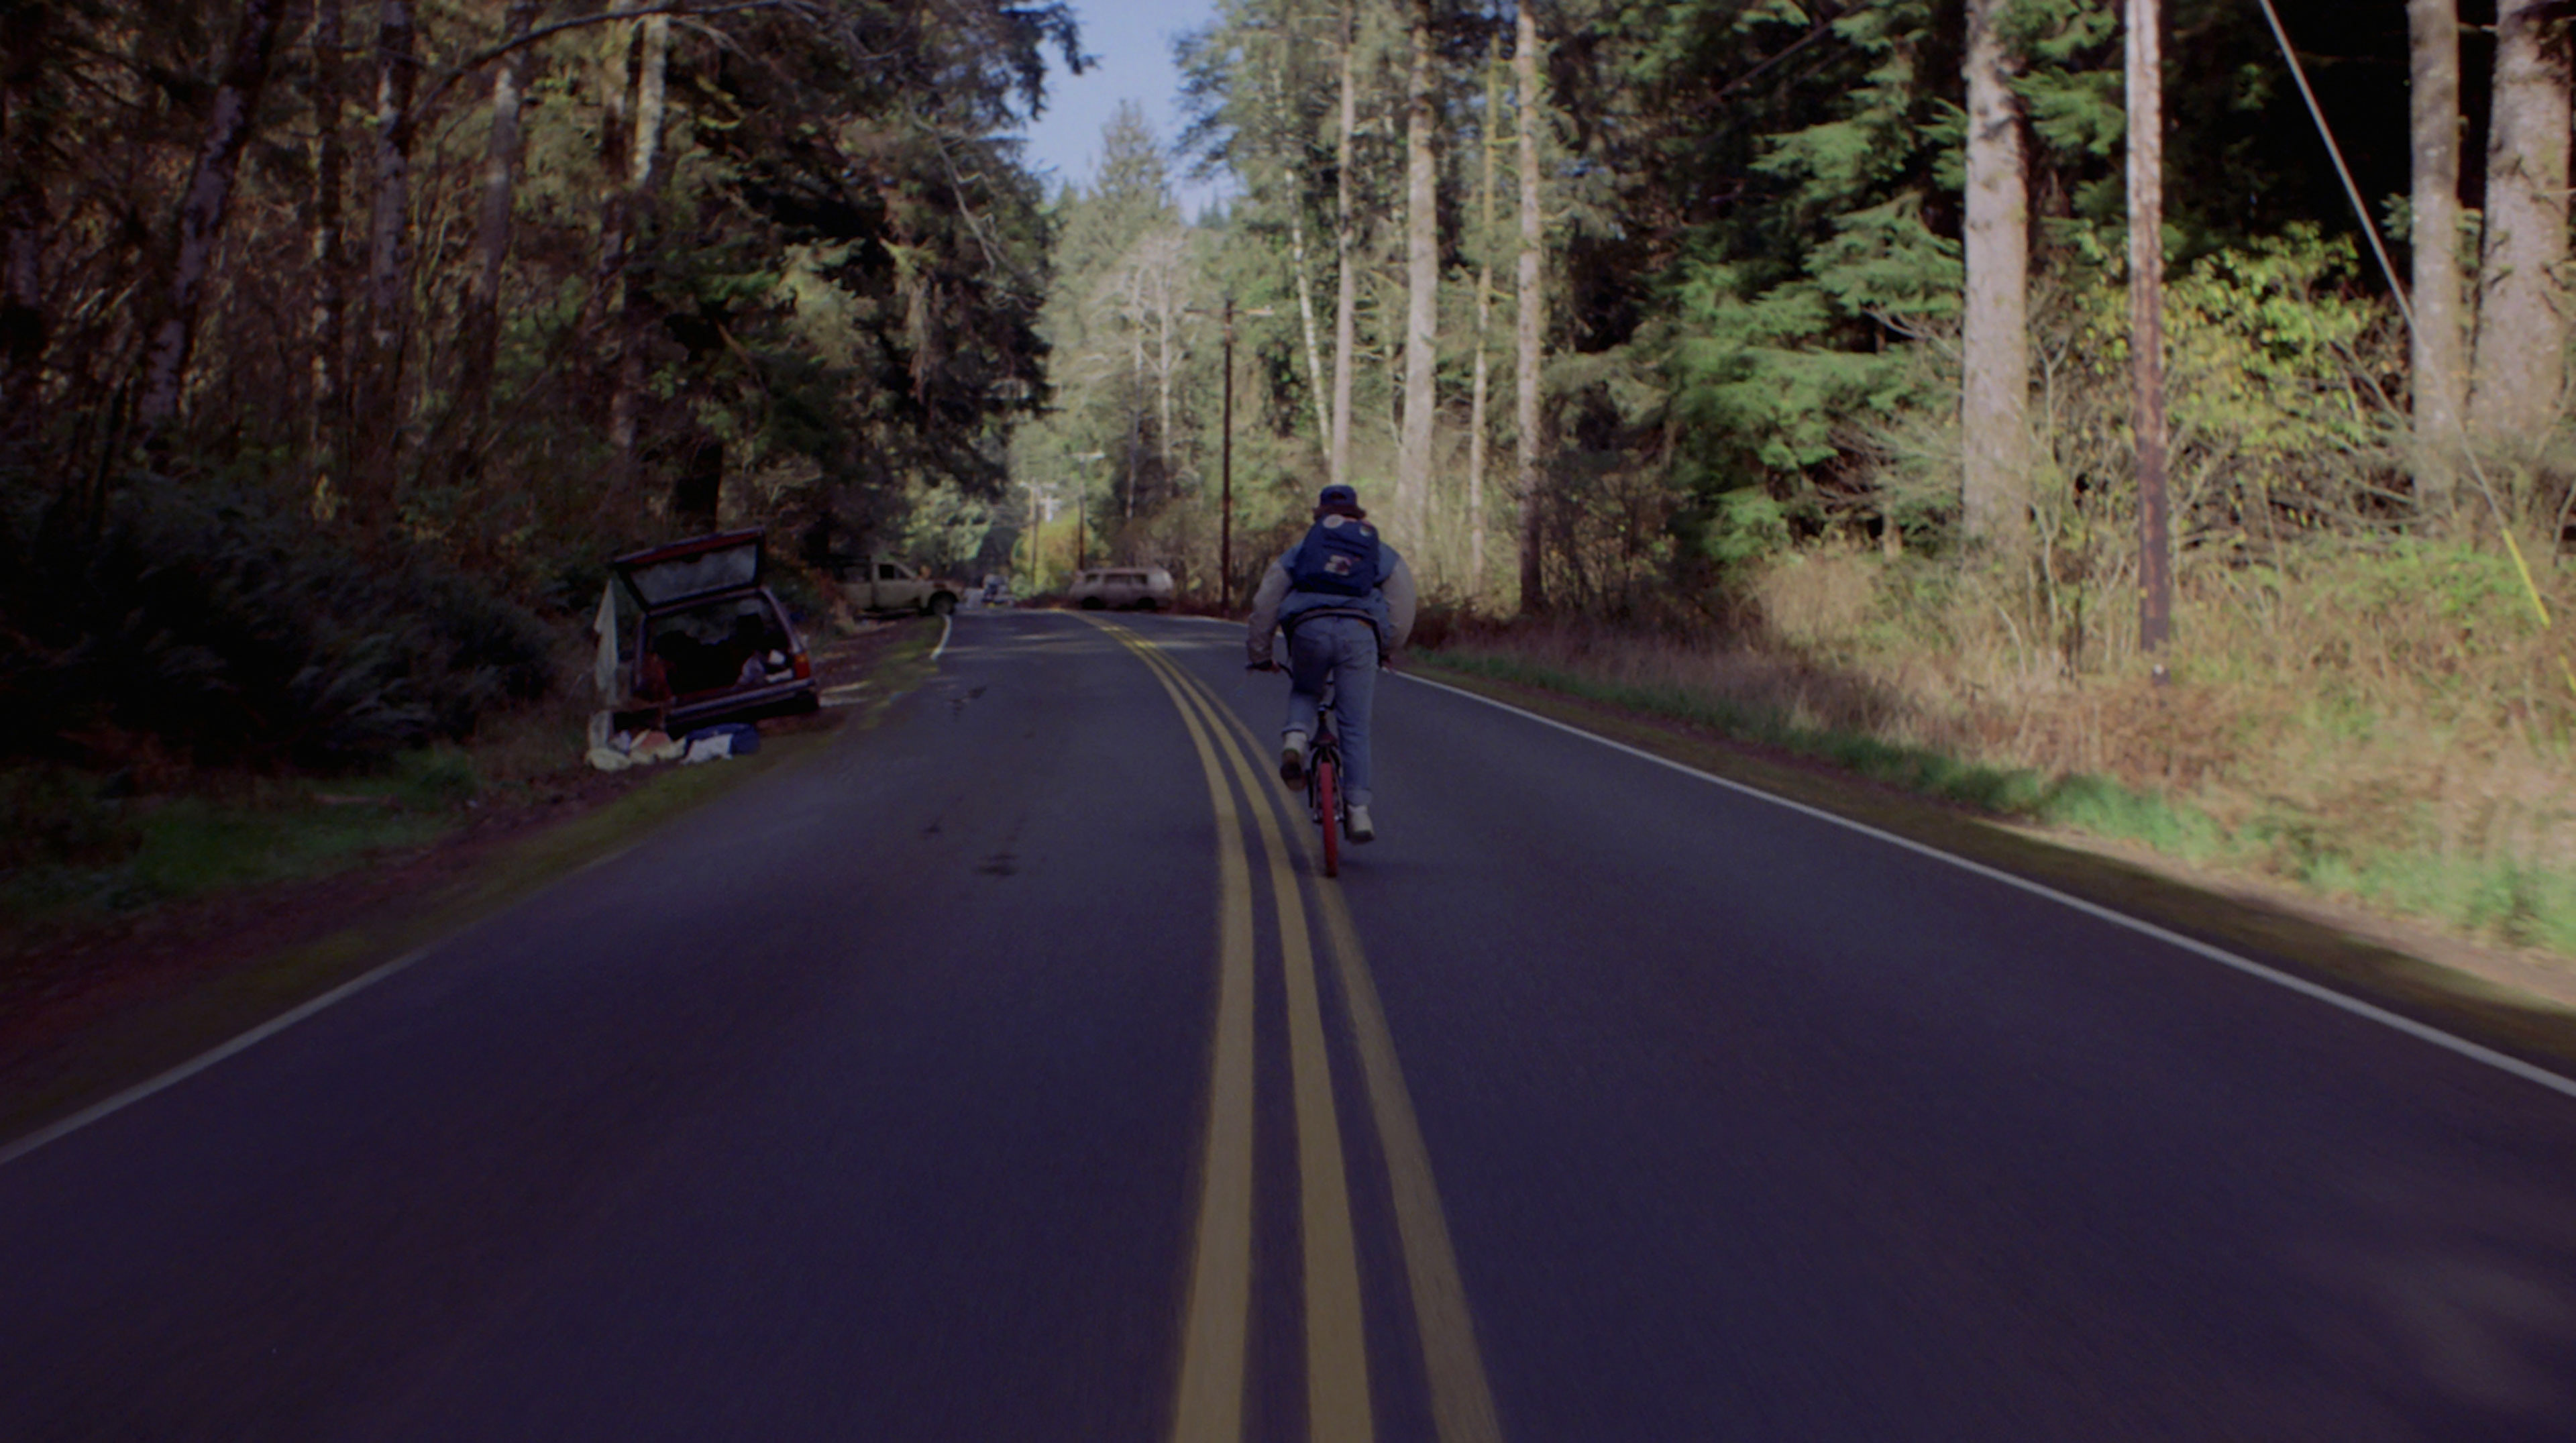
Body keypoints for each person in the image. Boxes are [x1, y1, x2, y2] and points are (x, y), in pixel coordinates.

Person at [1245, 483, 1417, 843]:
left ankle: (1295, 738)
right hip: (1359, 634)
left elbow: (1266, 600)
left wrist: (1260, 654)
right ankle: (1359, 812)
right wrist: (1387, 647)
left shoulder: (1304, 548)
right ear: (1358, 512)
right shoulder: (1379, 551)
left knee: (1306, 690)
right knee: (1354, 725)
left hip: (1309, 630)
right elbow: (1403, 604)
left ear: (1319, 514)